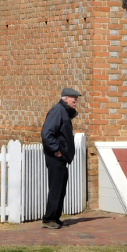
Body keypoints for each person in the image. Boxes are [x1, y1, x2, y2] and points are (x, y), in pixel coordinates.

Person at [41, 87, 80, 228]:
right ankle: (49, 219)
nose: (76, 100)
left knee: (61, 188)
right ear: (65, 98)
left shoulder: (63, 111)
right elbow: (47, 133)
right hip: (56, 158)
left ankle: (55, 218)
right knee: (56, 188)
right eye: (73, 98)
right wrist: (57, 150)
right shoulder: (58, 111)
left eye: (76, 98)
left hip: (61, 158)